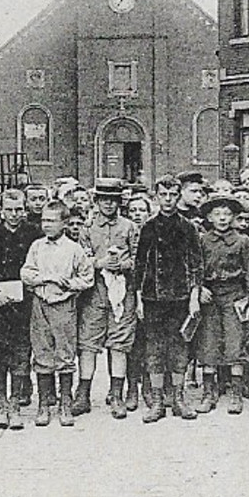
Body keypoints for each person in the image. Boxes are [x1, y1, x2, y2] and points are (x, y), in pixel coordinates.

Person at [20, 202, 94, 428]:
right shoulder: (37, 247)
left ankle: (65, 402)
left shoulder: (74, 249)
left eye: (52, 221)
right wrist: (43, 278)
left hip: (64, 307)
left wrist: (69, 283)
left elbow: (87, 278)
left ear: (64, 223)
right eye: (44, 221)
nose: (46, 225)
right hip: (41, 304)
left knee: (64, 353)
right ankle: (44, 404)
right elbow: (26, 272)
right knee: (42, 352)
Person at [135, 184, 204, 422]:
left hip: (180, 297)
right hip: (152, 298)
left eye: (172, 194)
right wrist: (138, 300)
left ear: (178, 196)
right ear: (156, 197)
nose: (167, 199)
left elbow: (196, 265)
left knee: (178, 347)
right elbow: (140, 266)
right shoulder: (148, 227)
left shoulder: (188, 227)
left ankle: (178, 399)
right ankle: (156, 401)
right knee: (154, 348)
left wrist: (194, 297)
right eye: (162, 195)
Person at [0, 187, 39, 430]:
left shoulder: (34, 234)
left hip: (24, 307)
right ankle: (0, 401)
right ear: (1, 211)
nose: (14, 214)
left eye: (18, 210)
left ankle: (15, 404)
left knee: (21, 355)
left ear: (24, 210)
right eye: (9, 210)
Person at [77, 178, 139, 420]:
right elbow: (81, 260)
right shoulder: (88, 228)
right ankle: (83, 394)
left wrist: (123, 264)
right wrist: (98, 263)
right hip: (95, 293)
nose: (109, 205)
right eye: (104, 200)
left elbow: (137, 258)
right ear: (96, 201)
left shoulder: (129, 227)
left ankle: (116, 394)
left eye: (113, 200)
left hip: (122, 294)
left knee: (119, 343)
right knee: (88, 343)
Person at [195, 193, 249, 415]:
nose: (222, 218)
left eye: (227, 214)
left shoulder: (243, 241)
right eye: (217, 214)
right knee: (208, 343)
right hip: (210, 296)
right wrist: (199, 288)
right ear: (209, 217)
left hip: (234, 295)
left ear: (234, 217)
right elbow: (196, 268)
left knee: (235, 343)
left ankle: (236, 393)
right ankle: (209, 393)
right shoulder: (202, 240)